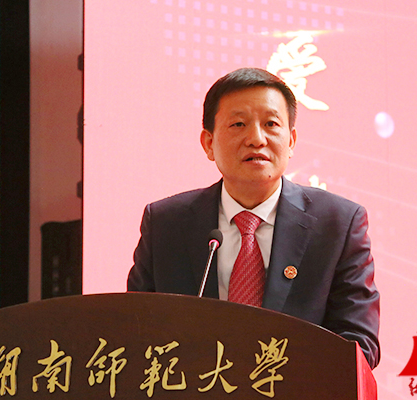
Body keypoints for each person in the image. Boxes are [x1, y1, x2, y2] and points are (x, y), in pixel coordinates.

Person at [127, 67, 380, 368]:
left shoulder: (338, 224)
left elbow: (359, 345)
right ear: (208, 143)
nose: (256, 139)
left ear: (291, 141)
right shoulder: (166, 224)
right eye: (238, 124)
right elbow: (135, 330)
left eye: (271, 124)